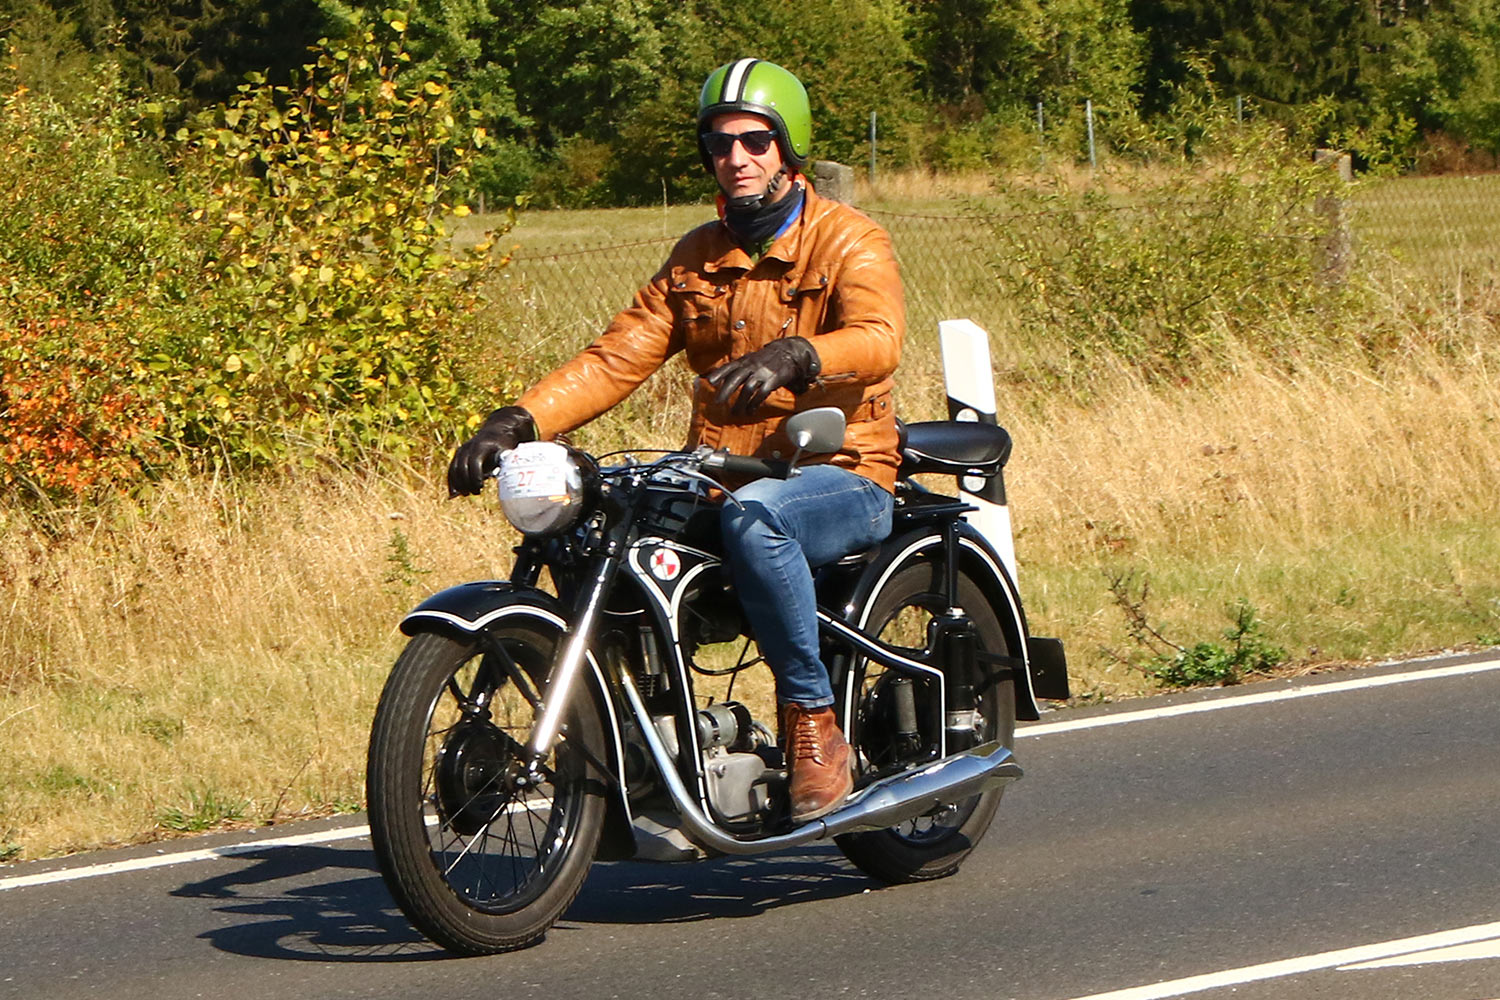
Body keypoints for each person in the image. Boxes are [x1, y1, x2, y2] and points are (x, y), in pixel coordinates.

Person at [447, 58, 905, 823]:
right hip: (725, 469)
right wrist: (516, 422)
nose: (737, 159)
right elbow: (616, 357)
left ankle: (812, 723)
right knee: (594, 529)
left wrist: (800, 355)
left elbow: (880, 337)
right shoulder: (697, 256)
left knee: (760, 522)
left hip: (843, 468)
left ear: (788, 149)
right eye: (720, 144)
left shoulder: (849, 240)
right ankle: (631, 736)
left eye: (756, 141)